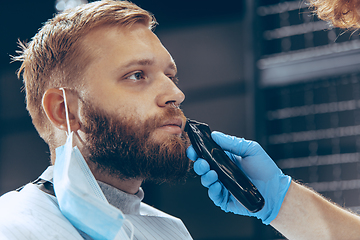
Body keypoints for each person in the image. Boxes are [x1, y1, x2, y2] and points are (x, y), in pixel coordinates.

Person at [0, 1, 192, 239]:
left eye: (171, 76)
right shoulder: (11, 227)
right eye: (136, 75)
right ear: (64, 111)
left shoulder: (173, 231)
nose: (175, 94)